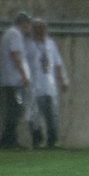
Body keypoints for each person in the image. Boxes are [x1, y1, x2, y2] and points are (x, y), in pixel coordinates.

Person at [26, 19, 69, 149]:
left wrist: (63, 80)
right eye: (38, 28)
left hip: (49, 85)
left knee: (52, 114)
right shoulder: (29, 45)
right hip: (34, 85)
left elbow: (58, 63)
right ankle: (37, 140)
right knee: (35, 114)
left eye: (43, 28)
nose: (41, 30)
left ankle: (53, 140)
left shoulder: (51, 44)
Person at [0, 12, 32, 149]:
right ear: (23, 23)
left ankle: (8, 139)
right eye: (28, 24)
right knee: (16, 110)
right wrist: (23, 75)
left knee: (14, 109)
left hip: (10, 78)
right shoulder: (15, 34)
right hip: (14, 79)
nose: (29, 27)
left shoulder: (10, 33)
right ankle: (8, 140)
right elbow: (15, 55)